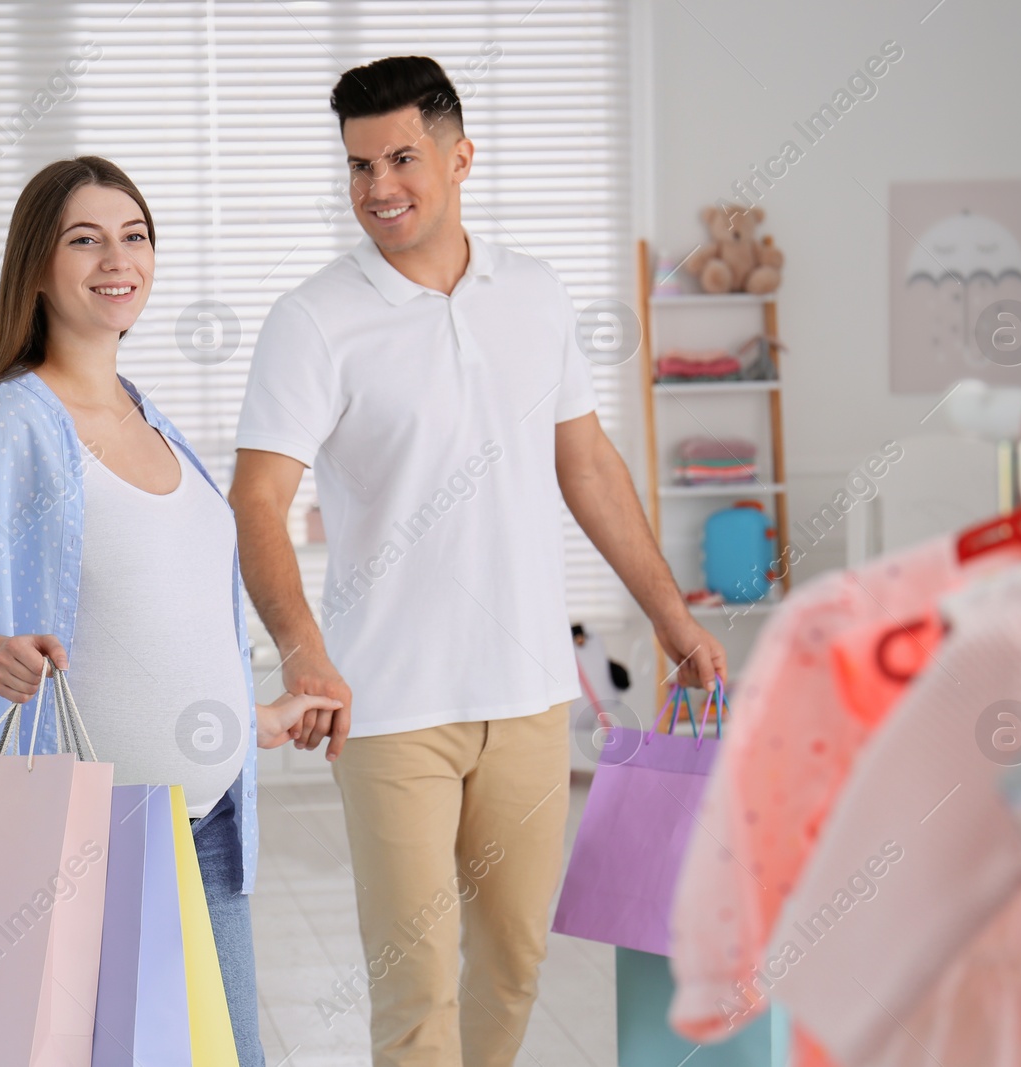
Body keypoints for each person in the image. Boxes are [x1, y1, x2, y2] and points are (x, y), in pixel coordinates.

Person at [228, 56, 728, 1065]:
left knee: (515, 959)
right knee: (417, 993)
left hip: (531, 692)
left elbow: (583, 461)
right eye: (359, 165)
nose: (378, 188)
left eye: (402, 157)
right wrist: (300, 650)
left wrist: (672, 618)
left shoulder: (534, 293)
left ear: (460, 158)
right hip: (387, 704)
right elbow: (258, 498)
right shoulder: (314, 318)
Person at [0, 155, 337, 1066]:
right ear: (37, 265)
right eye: (86, 239)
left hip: (204, 830)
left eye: (135, 236)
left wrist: (249, 716)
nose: (119, 258)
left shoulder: (159, 425)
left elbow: (166, 619)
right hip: (79, 847)